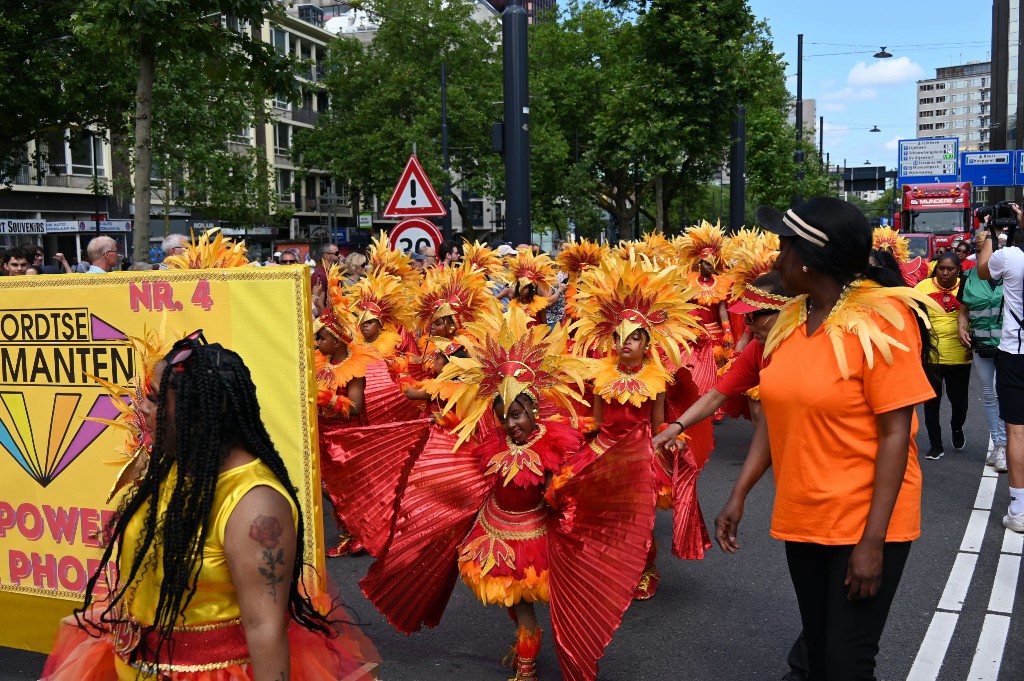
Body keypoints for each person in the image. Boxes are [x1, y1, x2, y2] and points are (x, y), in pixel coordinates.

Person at [42, 333, 377, 680]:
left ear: (199, 411)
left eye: (156, 399)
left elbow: (265, 627)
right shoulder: (178, 463)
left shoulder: (255, 504)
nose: (141, 408)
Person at [363, 306, 656, 681]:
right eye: (503, 416)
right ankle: (526, 641)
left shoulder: (555, 442)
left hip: (535, 534)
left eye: (517, 415)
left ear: (533, 410)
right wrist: (448, 425)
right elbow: (469, 456)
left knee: (526, 599)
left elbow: (567, 483)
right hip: (495, 527)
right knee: (510, 597)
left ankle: (528, 658)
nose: (510, 424)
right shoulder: (494, 438)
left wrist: (560, 491)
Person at [722, 198, 935, 680]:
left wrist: (872, 543)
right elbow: (776, 416)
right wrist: (739, 493)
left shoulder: (884, 322)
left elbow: (896, 433)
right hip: (804, 517)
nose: (776, 261)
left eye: (782, 248)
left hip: (866, 522)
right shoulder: (791, 320)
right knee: (817, 652)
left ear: (807, 258)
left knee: (847, 662)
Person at [569, 250, 707, 600]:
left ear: (647, 344)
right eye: (619, 337)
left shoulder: (657, 380)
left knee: (638, 518)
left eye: (633, 337)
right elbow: (597, 421)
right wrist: (570, 433)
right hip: (604, 452)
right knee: (606, 517)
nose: (624, 343)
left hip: (641, 455)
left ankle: (645, 567)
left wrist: (672, 440)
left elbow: (659, 423)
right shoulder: (600, 375)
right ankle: (612, 566)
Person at [977, 203, 1024, 532]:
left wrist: (993, 233)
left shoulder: (1010, 258)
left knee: (1017, 432)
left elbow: (982, 270)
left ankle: (1019, 510)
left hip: (1015, 352)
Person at [915, 251, 971, 459]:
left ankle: (957, 428)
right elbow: (914, 318)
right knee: (931, 403)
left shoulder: (967, 287)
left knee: (960, 404)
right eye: (941, 268)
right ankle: (935, 445)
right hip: (931, 357)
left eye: (950, 269)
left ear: (958, 270)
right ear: (935, 268)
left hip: (959, 356)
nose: (945, 272)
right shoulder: (921, 288)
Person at [962, 229, 1006, 470]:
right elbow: (964, 310)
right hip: (981, 345)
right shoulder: (970, 275)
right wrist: (961, 328)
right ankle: (1000, 446)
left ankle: (1007, 446)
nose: (982, 253)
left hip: (1010, 346)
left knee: (1003, 395)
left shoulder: (1012, 273)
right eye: (979, 250)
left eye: (987, 248)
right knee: (989, 396)